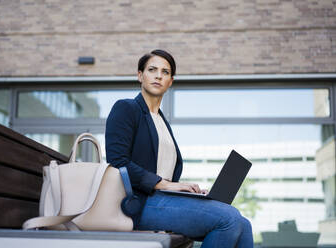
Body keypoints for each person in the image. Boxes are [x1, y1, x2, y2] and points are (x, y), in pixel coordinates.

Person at [105, 49, 253, 248]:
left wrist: (185, 190)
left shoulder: (162, 122)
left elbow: (162, 171)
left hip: (164, 200)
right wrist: (165, 184)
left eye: (165, 72)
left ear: (171, 81)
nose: (158, 75)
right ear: (140, 75)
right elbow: (118, 162)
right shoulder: (127, 108)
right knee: (229, 218)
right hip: (138, 203)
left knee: (244, 223)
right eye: (152, 69)